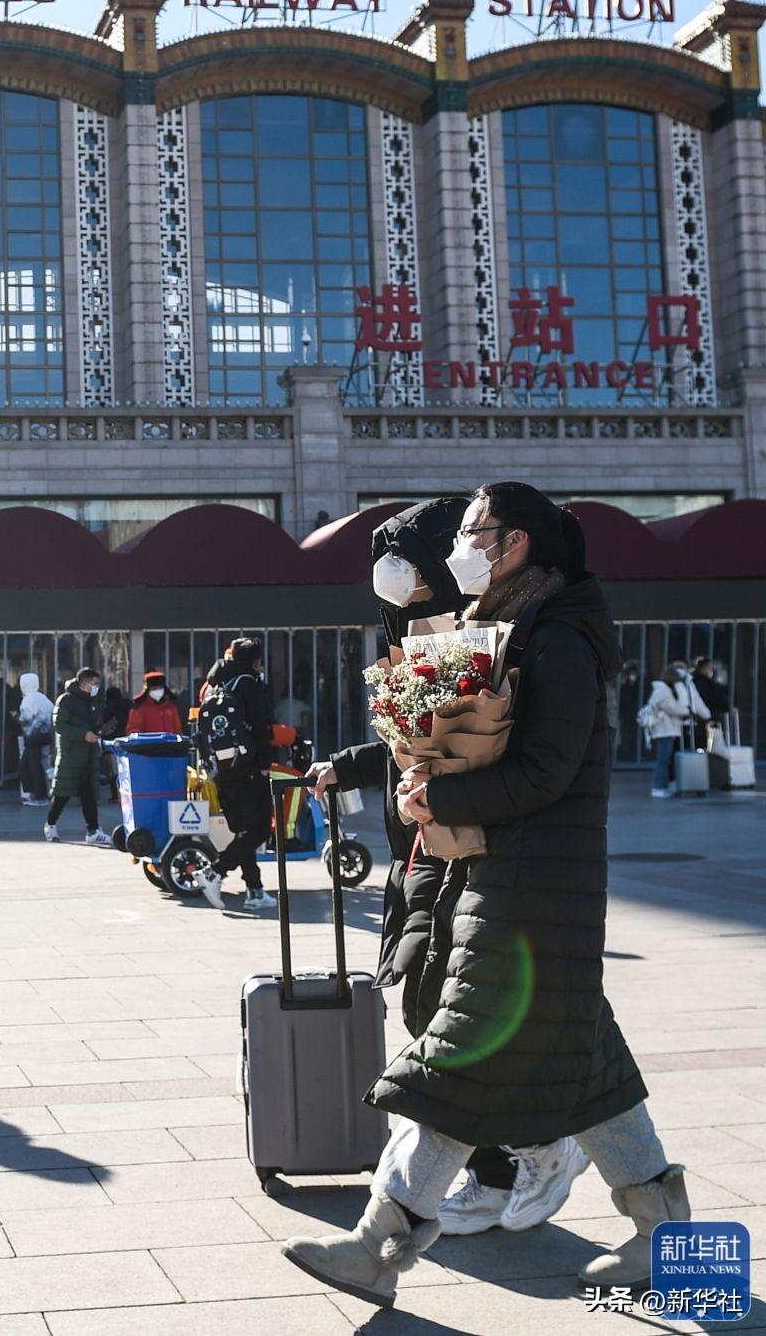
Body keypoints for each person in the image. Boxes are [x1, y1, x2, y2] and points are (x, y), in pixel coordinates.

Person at [283, 481, 689, 1309]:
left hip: (535, 883)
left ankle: (376, 1249)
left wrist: (442, 801)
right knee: (590, 1066)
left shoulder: (560, 638)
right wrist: (422, 771)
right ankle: (663, 1234)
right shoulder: (511, 628)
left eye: (477, 532)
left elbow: (547, 770)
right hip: (517, 877)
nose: (462, 546)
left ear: (520, 544)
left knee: (455, 1064)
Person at [309, 499, 587, 1239]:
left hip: (475, 848)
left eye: (420, 582)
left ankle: (521, 1156)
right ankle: (503, 1170)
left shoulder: (493, 634)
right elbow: (418, 737)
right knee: (438, 1009)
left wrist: (438, 792)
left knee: (450, 1017)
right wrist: (357, 767)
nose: (410, 596)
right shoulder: (420, 631)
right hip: (431, 846)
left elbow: (489, 747)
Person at [195, 636, 277, 913]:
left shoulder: (217, 683)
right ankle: (213, 871)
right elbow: (261, 726)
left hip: (222, 769)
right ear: (256, 660)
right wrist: (266, 763)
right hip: (249, 768)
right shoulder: (248, 684)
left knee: (243, 831)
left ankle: (254, 891)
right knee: (258, 830)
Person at [45, 667, 112, 846]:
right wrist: (83, 735)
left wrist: (100, 731)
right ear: (84, 682)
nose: (97, 687)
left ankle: (93, 830)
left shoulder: (94, 699)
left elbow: (94, 722)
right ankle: (50, 824)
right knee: (62, 794)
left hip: (89, 755)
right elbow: (60, 725)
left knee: (89, 794)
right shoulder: (66, 700)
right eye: (94, 683)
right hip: (71, 756)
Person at [644, 663, 711, 798]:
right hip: (666, 729)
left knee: (667, 759)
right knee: (664, 760)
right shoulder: (665, 690)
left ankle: (666, 785)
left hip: (670, 728)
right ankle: (659, 787)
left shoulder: (666, 688)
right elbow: (672, 707)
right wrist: (689, 712)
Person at [16, 672, 53, 807]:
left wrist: (16, 717)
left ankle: (39, 795)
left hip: (32, 737)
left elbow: (25, 719)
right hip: (45, 736)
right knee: (33, 765)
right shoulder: (43, 698)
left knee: (30, 766)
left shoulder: (27, 700)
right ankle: (37, 793)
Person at [692, 656, 732, 749]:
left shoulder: (700, 681)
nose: (712, 670)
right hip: (706, 719)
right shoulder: (702, 683)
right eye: (710, 667)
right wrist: (726, 705)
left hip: (706, 718)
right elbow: (712, 697)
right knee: (709, 746)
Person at [126, 671, 183, 735]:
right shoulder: (138, 708)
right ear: (147, 690)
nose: (157, 691)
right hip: (148, 744)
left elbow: (178, 729)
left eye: (160, 688)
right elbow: (133, 730)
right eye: (154, 688)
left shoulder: (171, 707)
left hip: (170, 743)